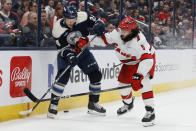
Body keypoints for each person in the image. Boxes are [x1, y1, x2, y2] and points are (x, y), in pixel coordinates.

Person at [82, 17, 156, 127]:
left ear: (132, 31)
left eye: (125, 30)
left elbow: (147, 60)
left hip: (144, 61)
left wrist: (139, 75)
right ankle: (128, 104)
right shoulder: (118, 33)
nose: (122, 32)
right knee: (122, 85)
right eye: (121, 29)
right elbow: (104, 40)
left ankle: (150, 112)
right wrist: (87, 39)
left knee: (144, 83)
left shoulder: (139, 42)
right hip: (129, 62)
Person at [47, 5, 106, 118]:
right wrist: (69, 55)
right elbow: (61, 49)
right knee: (62, 76)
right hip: (67, 51)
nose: (71, 22)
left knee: (96, 74)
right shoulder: (57, 29)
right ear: (64, 17)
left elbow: (97, 22)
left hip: (82, 49)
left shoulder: (83, 16)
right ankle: (53, 105)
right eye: (69, 19)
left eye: (73, 19)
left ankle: (93, 104)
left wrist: (99, 25)